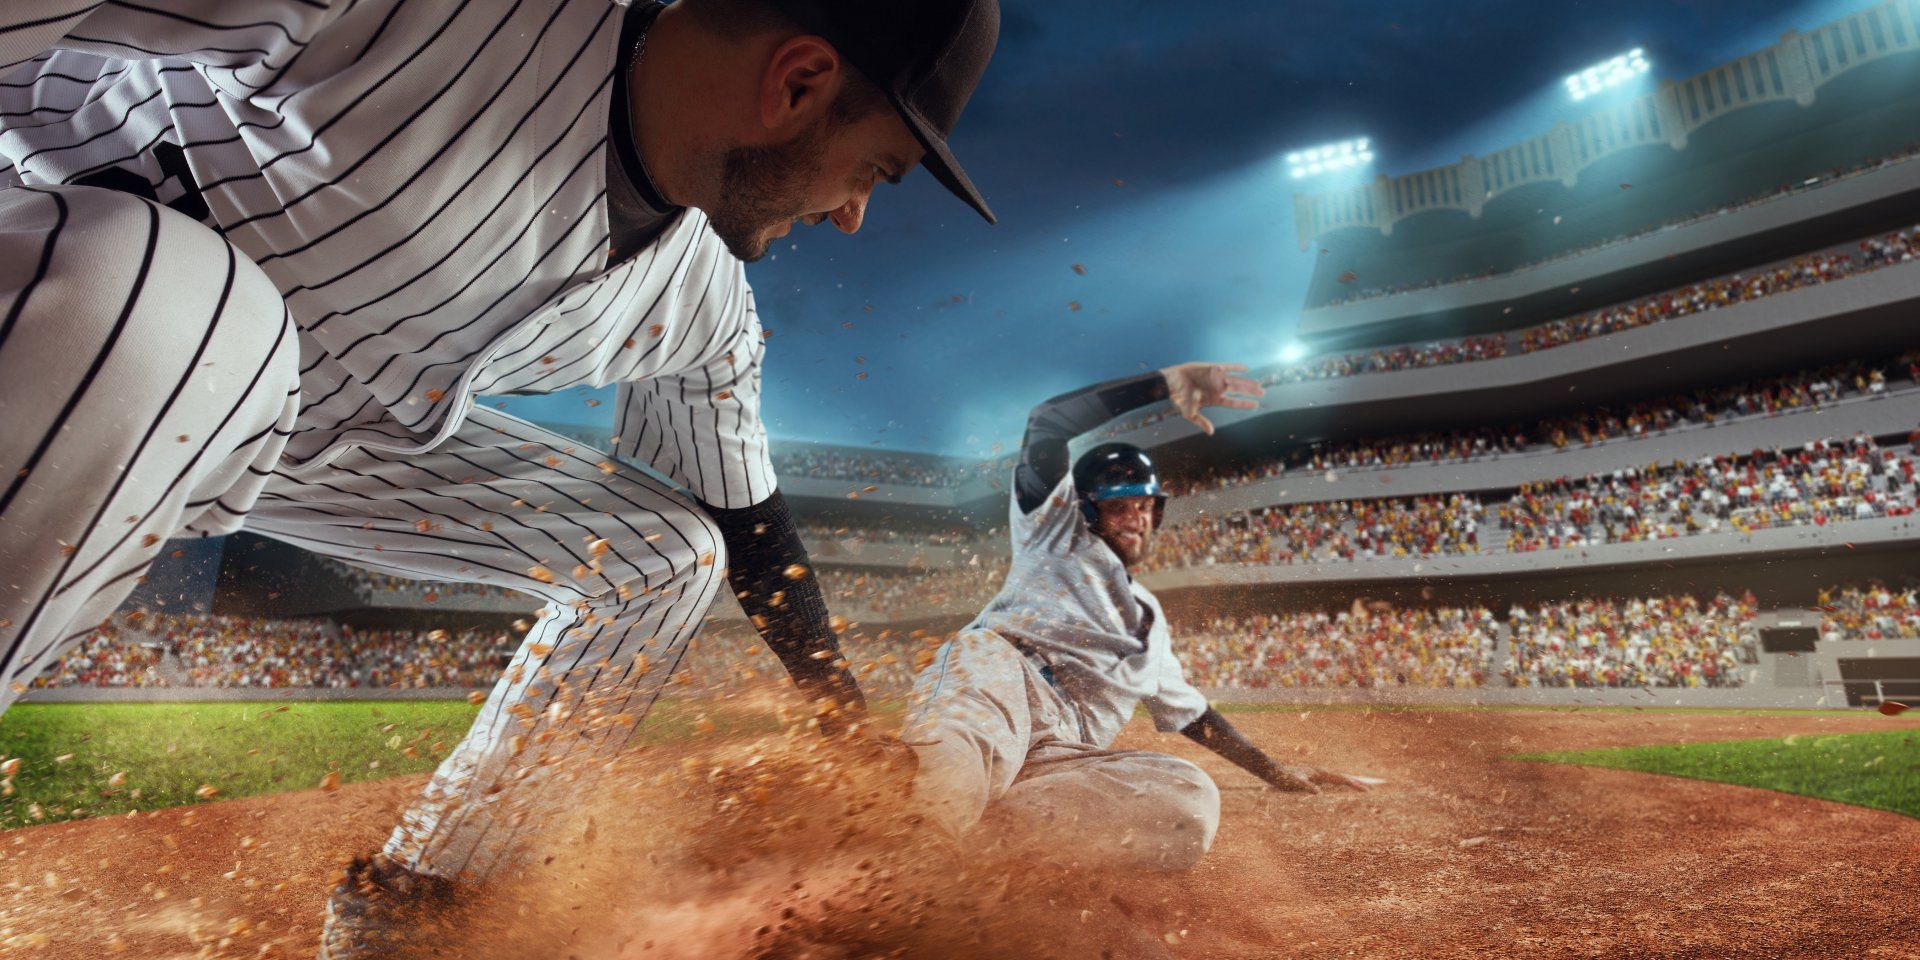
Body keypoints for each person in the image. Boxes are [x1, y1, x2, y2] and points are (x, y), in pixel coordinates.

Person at [0, 0, 999, 954]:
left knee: (661, 557)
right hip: (59, 310)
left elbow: (747, 523)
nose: (855, 213)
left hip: (292, 432)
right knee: (189, 310)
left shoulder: (703, 301)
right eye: (874, 167)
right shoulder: (439, 20)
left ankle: (416, 906)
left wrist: (841, 717)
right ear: (800, 82)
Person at [902, 362, 1375, 873]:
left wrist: (1277, 772)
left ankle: (976, 867)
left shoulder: (1149, 617)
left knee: (1187, 798)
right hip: (1005, 677)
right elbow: (1049, 422)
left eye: (1144, 505)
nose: (1135, 517)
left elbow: (1195, 717)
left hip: (1065, 748)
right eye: (1117, 505)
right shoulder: (1053, 534)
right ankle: (911, 867)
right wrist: (1158, 387)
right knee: (963, 747)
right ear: (1085, 510)